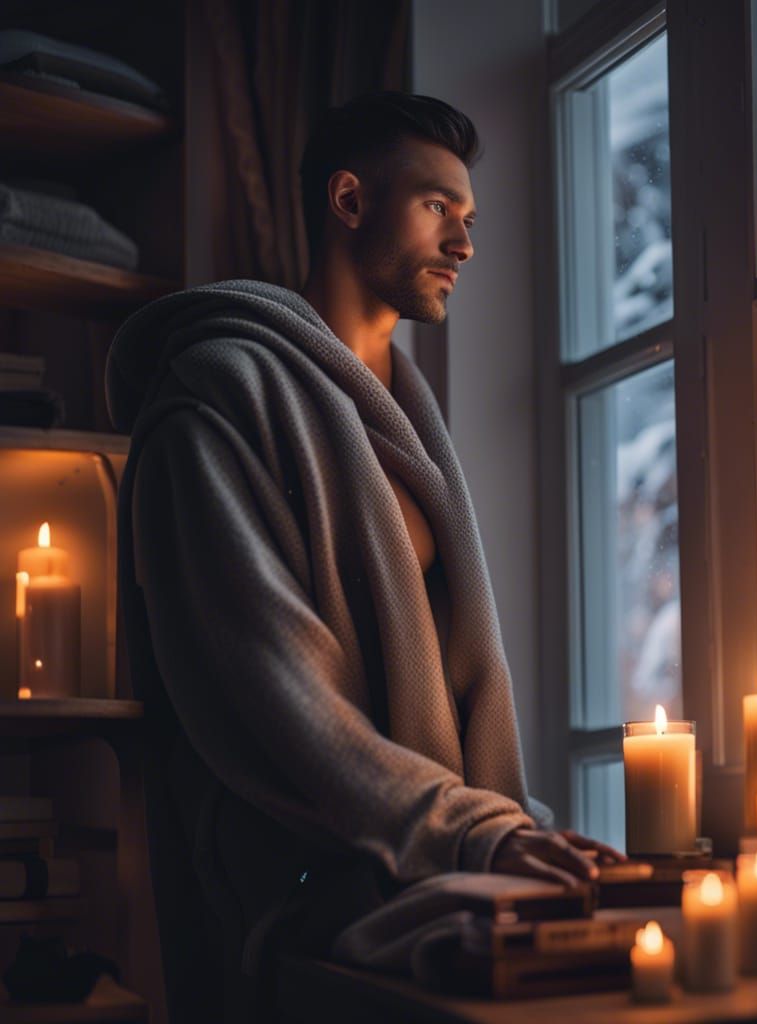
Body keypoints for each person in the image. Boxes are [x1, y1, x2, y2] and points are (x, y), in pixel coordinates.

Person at [106, 92, 624, 1023]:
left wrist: (510, 830)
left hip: (434, 858)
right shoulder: (210, 407)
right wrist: (474, 838)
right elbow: (278, 695)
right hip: (306, 895)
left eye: (470, 220)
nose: (465, 244)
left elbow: (457, 686)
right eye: (438, 209)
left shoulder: (409, 426)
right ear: (349, 202)